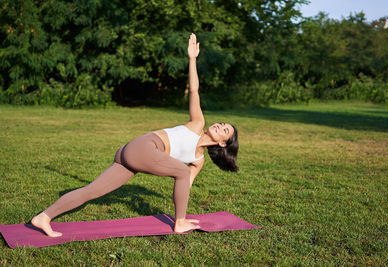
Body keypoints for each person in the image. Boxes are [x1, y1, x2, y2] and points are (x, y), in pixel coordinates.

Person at [31, 33, 239, 237]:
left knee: (92, 190)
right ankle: (180, 223)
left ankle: (44, 217)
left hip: (130, 156)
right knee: (182, 172)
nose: (219, 126)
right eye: (221, 124)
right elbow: (194, 91)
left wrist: (181, 204)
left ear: (222, 143)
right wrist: (192, 59)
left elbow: (184, 187)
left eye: (224, 130)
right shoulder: (197, 124)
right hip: (145, 147)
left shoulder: (198, 160)